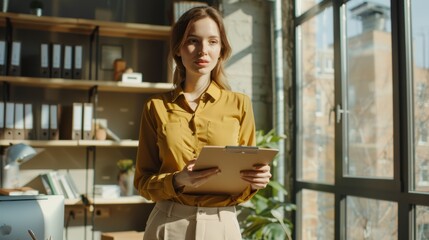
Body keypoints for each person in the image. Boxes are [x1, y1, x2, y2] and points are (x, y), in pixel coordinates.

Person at [134, 5, 272, 240]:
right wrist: (178, 180)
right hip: (168, 224)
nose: (203, 51)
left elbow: (246, 177)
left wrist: (256, 180)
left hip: (223, 225)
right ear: (178, 49)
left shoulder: (240, 105)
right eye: (193, 41)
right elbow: (142, 182)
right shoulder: (155, 107)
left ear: (221, 50)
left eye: (212, 42)